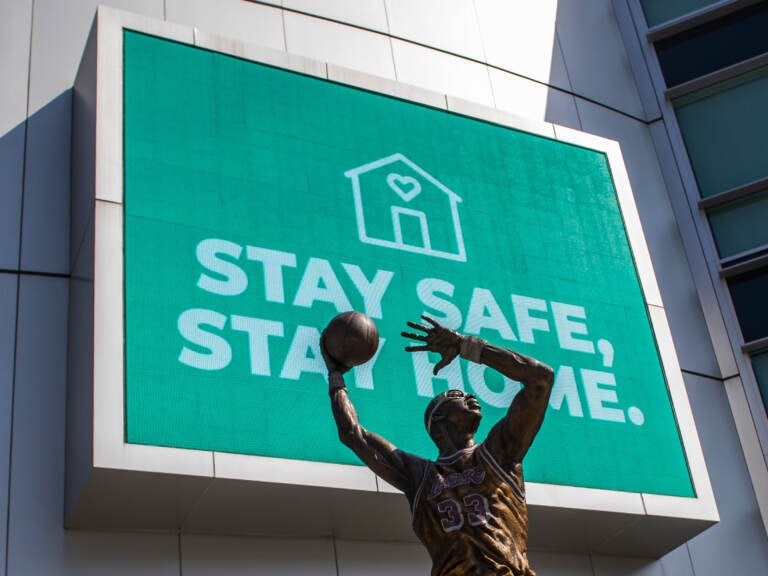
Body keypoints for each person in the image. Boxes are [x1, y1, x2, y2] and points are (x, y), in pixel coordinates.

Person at [323, 315, 554, 576]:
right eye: (457, 395)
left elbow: (541, 379)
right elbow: (354, 435)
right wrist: (335, 377)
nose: (470, 395)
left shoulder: (499, 452)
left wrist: (465, 346)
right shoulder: (421, 476)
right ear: (439, 419)